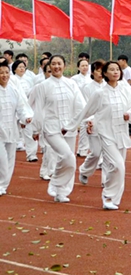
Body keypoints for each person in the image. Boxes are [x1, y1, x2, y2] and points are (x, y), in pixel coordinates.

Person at [67, 61, 131, 210]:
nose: (115, 72)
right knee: (118, 165)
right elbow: (86, 111)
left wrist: (129, 115)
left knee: (119, 167)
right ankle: (107, 196)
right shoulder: (100, 93)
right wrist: (70, 126)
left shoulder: (125, 89)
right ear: (105, 73)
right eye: (111, 70)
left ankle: (114, 198)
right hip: (106, 134)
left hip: (122, 133)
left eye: (117, 69)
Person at [29, 55, 86, 203]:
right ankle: (56, 182)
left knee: (70, 160)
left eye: (59, 64)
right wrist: (36, 129)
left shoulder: (71, 84)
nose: (56, 67)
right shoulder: (43, 86)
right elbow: (39, 109)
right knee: (67, 156)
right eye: (53, 64)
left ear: (64, 66)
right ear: (49, 67)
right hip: (51, 128)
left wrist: (86, 121)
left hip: (69, 127)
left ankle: (62, 192)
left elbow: (80, 105)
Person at [0, 59, 33, 196]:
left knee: (10, 160)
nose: (4, 75)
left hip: (12, 129)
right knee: (1, 159)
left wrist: (26, 117)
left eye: (6, 72)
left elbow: (21, 107)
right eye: (1, 73)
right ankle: (1, 184)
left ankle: (3, 185)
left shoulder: (13, 90)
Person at [72, 58, 92, 156]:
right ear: (78, 67)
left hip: (89, 105)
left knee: (86, 126)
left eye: (86, 65)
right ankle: (80, 148)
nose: (85, 67)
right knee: (77, 127)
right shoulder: (74, 79)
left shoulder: (91, 78)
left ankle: (83, 149)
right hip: (78, 105)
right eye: (82, 65)